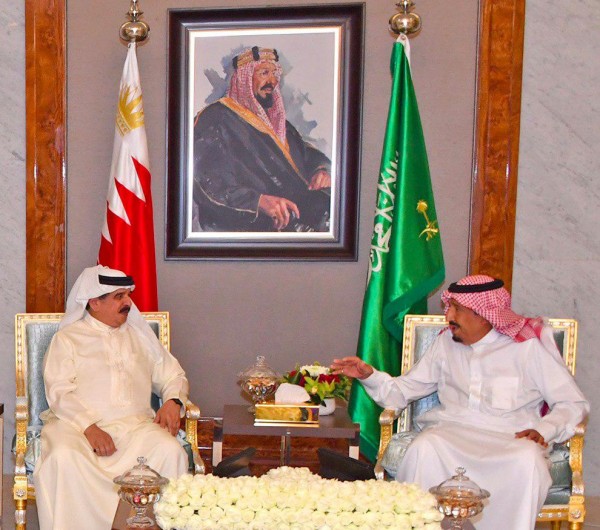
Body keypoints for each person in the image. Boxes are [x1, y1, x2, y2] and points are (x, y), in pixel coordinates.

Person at [332, 275, 589, 530]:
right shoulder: (445, 344)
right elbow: (401, 392)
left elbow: (573, 403)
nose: (448, 316)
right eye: (449, 307)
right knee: (424, 448)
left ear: (483, 315)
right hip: (450, 435)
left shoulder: (527, 348)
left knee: (528, 461)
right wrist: (369, 376)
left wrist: (544, 429)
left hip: (509, 440)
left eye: (457, 308)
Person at [33, 265, 190, 530]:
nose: (128, 302)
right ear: (94, 302)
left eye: (128, 295)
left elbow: (173, 375)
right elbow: (59, 392)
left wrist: (173, 401)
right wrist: (89, 427)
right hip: (76, 428)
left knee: (170, 451)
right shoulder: (68, 339)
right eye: (119, 297)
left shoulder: (141, 337)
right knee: (63, 457)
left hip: (135, 428)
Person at [193, 46, 332, 232]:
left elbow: (304, 152)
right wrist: (258, 202)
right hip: (244, 230)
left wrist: (321, 170)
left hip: (298, 220)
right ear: (244, 79)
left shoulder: (275, 122)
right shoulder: (216, 118)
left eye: (275, 73)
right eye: (265, 73)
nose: (272, 81)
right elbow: (206, 180)